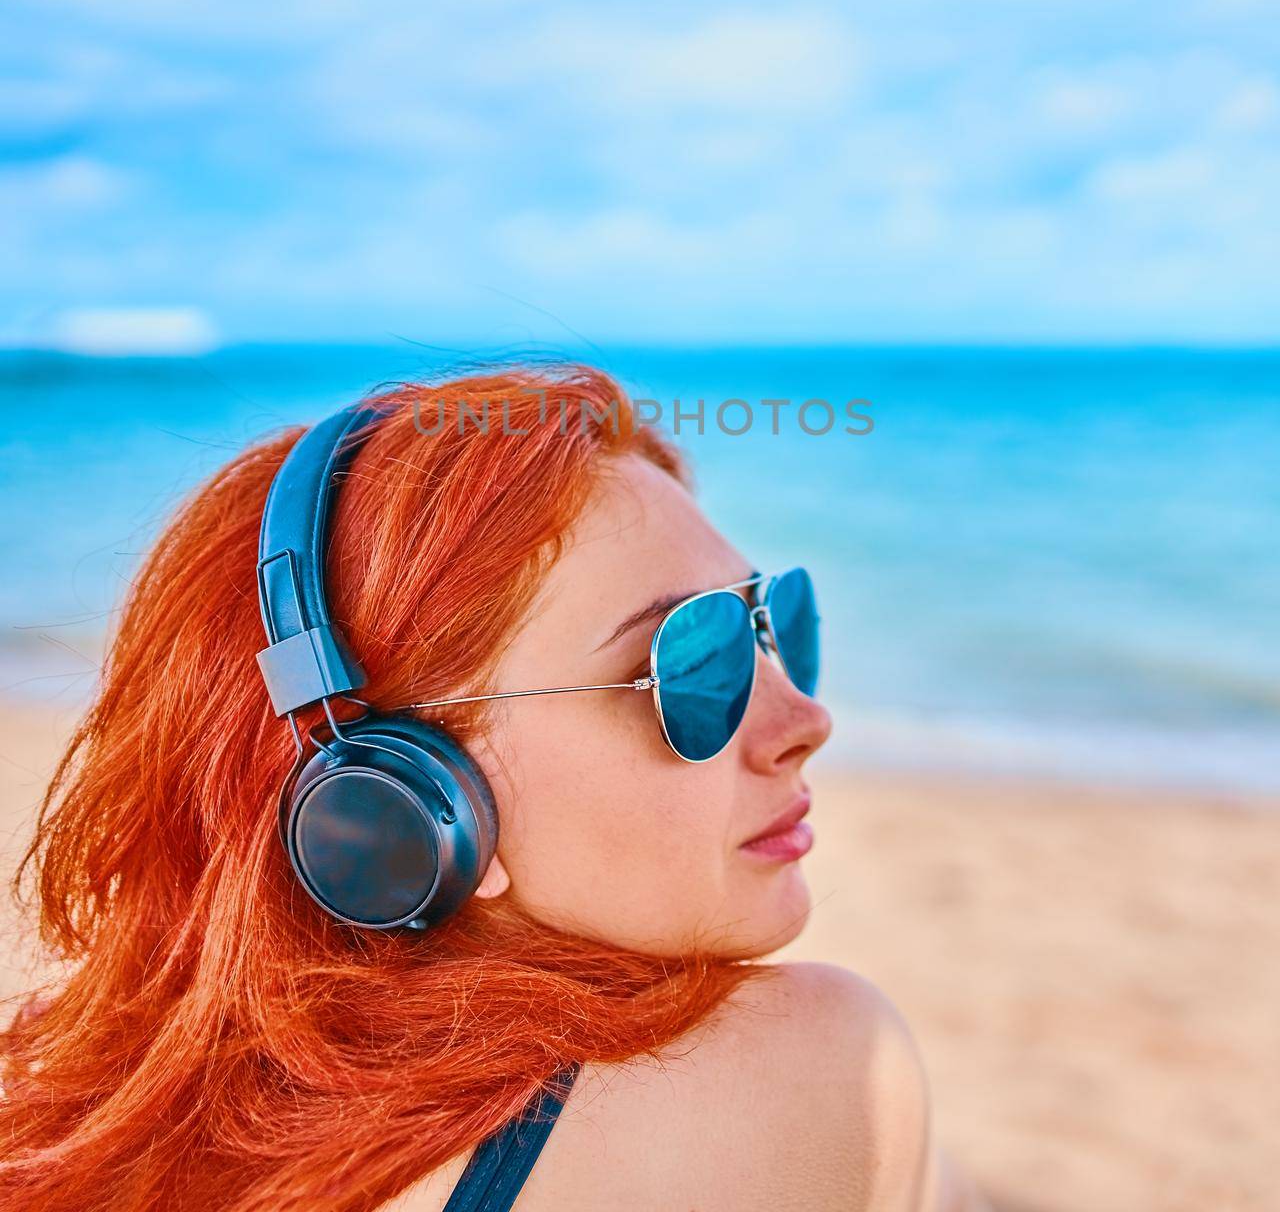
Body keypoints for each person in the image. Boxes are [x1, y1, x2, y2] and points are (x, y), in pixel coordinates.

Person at [0, 361, 989, 1211]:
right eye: (693, 663)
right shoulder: (819, 1066)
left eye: (771, 625)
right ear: (397, 798)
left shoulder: (82, 1133)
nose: (804, 724)